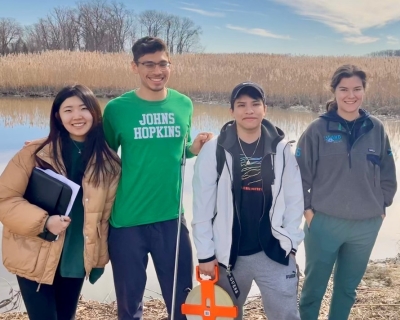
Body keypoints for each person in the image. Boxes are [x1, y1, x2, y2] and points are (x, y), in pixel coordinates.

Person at [103, 36, 212, 320]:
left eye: (162, 63)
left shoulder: (183, 104)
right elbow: (99, 158)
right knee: (129, 307)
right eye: (148, 64)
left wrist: (193, 149)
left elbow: (175, 150)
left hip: (171, 219)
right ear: (134, 67)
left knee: (182, 304)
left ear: (170, 65)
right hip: (127, 222)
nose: (156, 70)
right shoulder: (117, 109)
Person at [0, 85, 121, 320]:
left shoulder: (109, 163)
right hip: (34, 253)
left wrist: (98, 259)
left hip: (75, 257)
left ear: (95, 113)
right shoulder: (35, 153)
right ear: (58, 116)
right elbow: (4, 199)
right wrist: (45, 222)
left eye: (83, 108)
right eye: (68, 110)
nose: (76, 116)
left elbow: (104, 218)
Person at [191, 81, 304, 320]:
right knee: (224, 316)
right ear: (231, 111)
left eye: (255, 104)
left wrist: (291, 244)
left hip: (274, 252)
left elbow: (295, 199)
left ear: (265, 108)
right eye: (241, 105)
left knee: (286, 315)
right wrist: (205, 255)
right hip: (228, 256)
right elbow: (202, 206)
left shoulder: (282, 149)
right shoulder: (214, 150)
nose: (249, 110)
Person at [297, 64, 397, 320]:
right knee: (313, 290)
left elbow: (388, 172)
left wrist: (381, 206)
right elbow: (298, 175)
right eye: (344, 89)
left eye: (357, 89)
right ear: (334, 91)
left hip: (366, 225)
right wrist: (308, 212)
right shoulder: (317, 130)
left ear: (364, 91)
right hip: (324, 223)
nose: (350, 95)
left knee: (347, 290)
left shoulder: (376, 128)